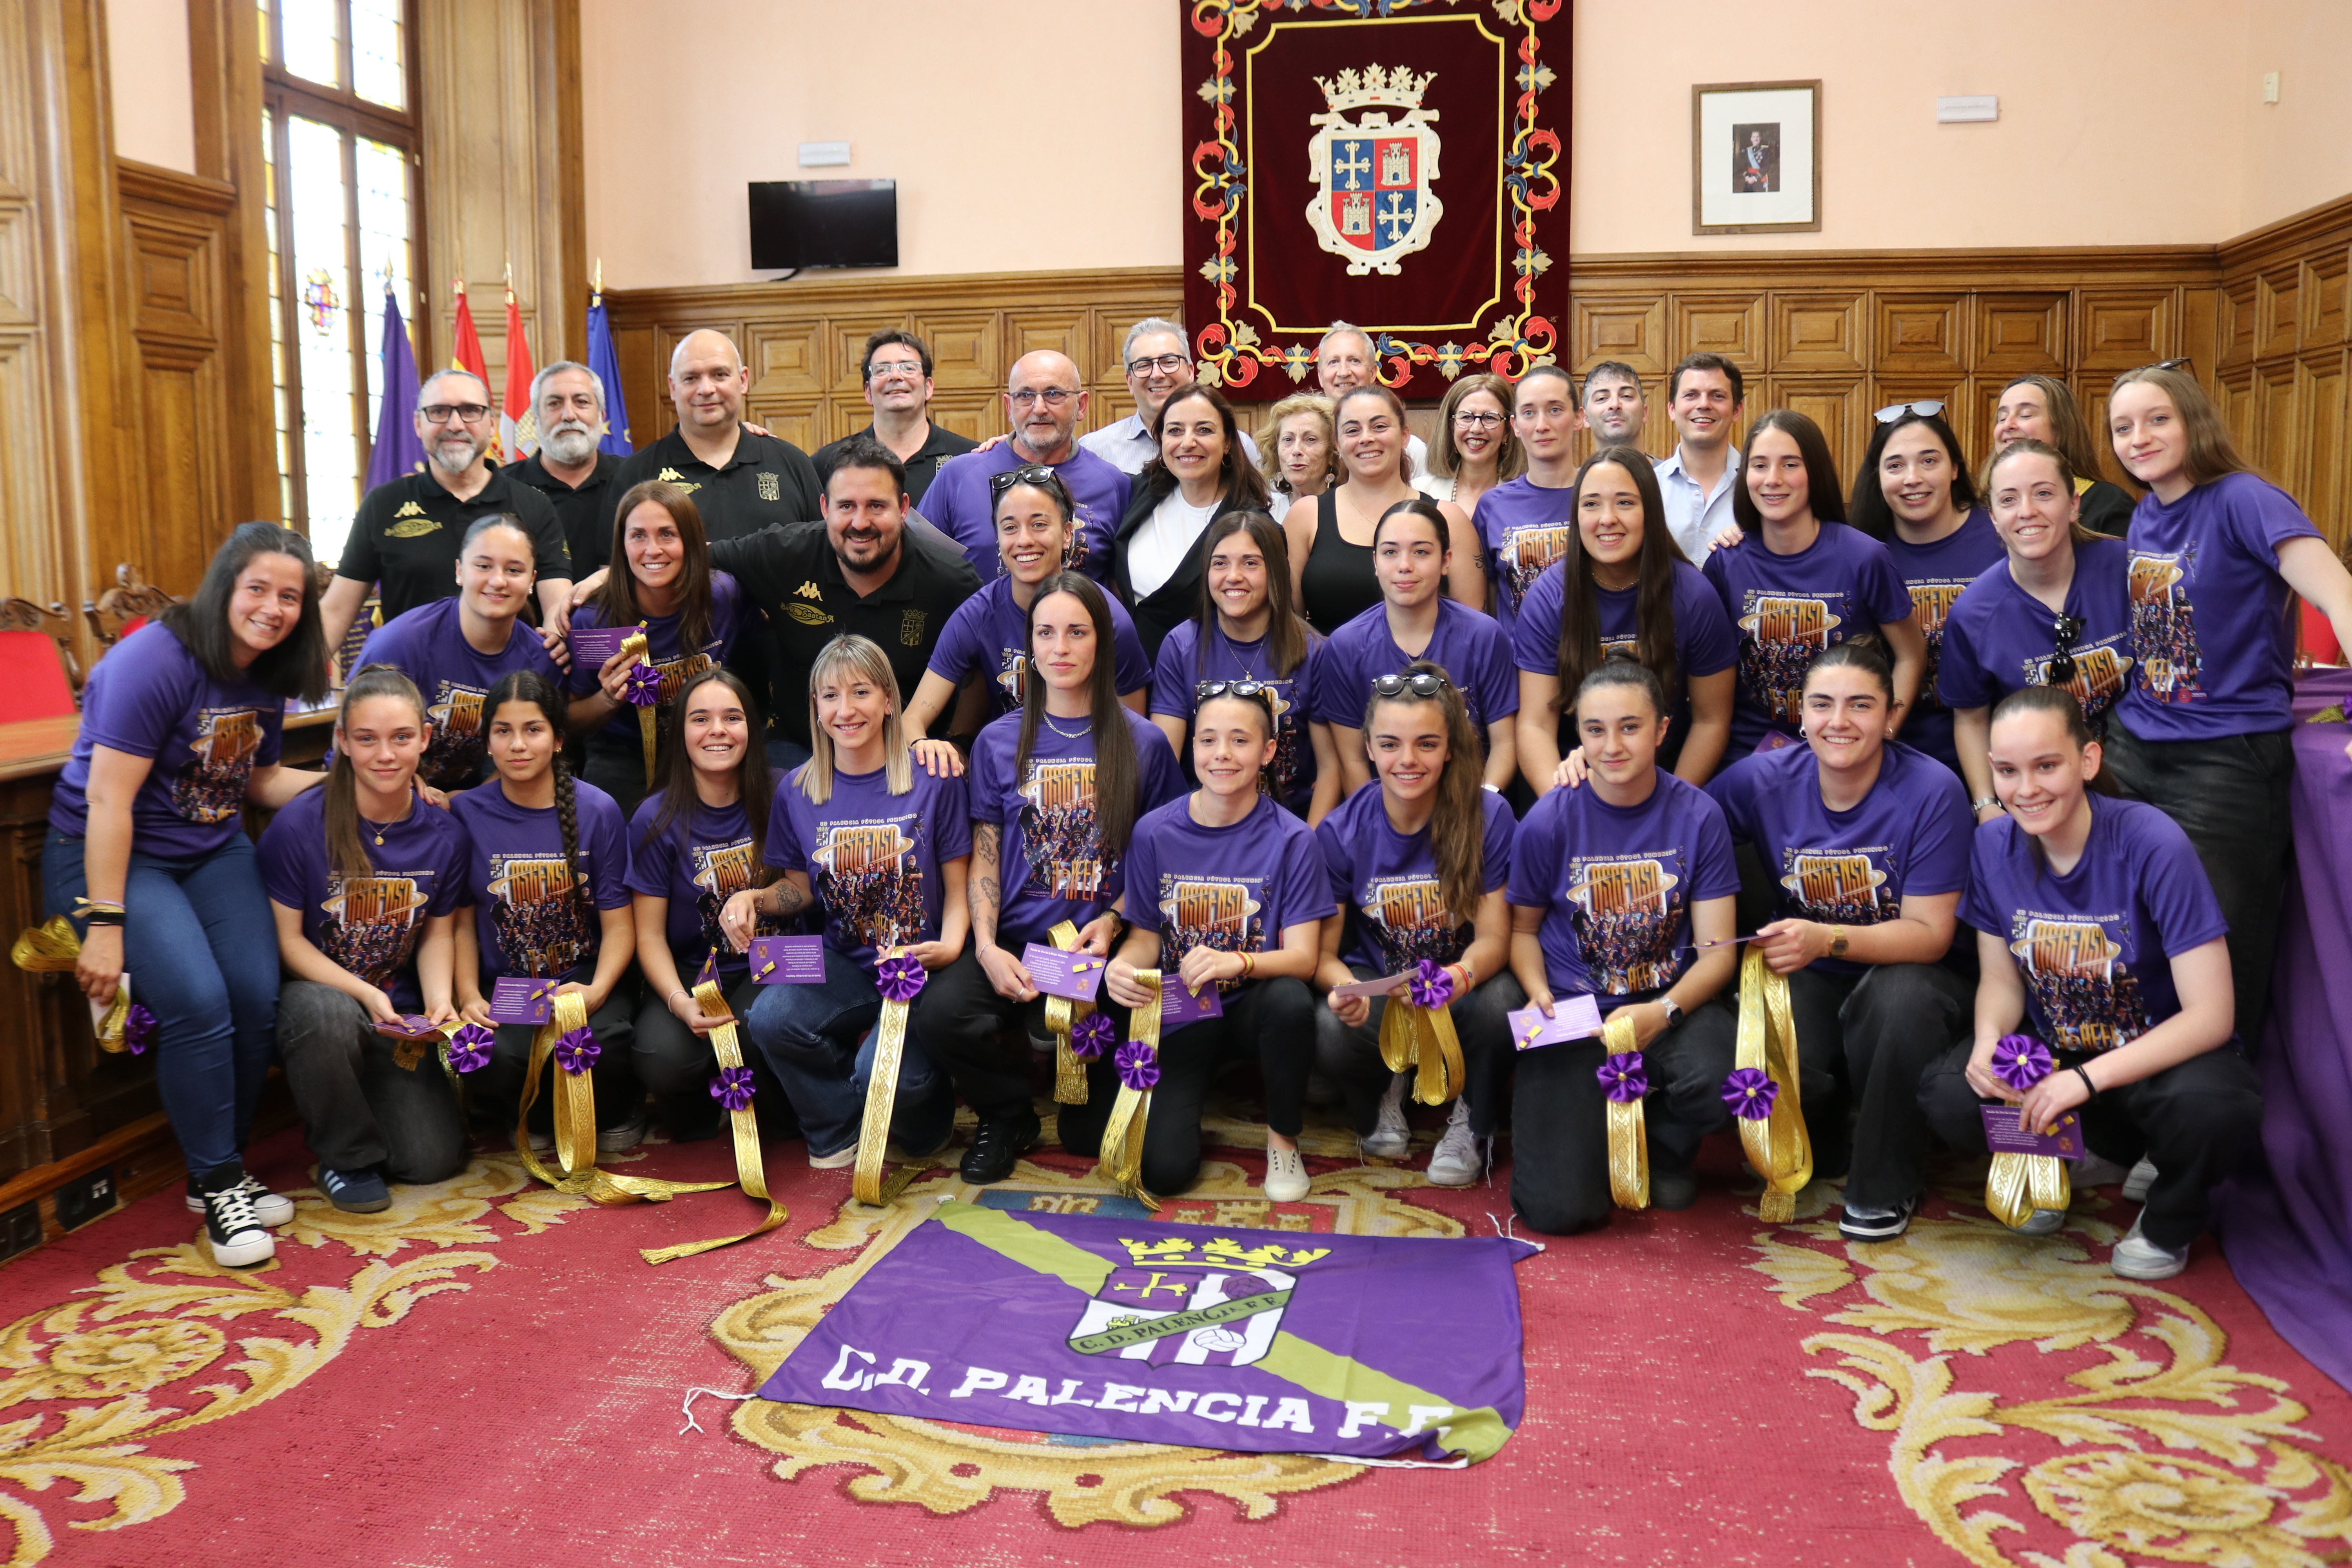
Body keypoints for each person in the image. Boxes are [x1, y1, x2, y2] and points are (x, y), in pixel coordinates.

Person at [45, 522, 331, 1267]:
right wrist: (105, 926)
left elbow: (260, 780)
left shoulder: (266, 670)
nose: (273, 608)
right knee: (199, 1003)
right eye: (258, 589)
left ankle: (217, 1173)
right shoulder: (154, 661)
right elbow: (109, 803)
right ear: (224, 587)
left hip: (209, 847)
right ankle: (219, 1180)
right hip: (110, 855)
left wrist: (360, 788)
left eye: (290, 596)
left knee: (253, 991)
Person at [1918, 685, 2262, 1279]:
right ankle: (2072, 1159)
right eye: (2007, 771)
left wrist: (2081, 1081)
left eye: (2047, 766)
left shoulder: (2151, 841)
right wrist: (1986, 1043)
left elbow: (2212, 1016)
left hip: (2154, 1061)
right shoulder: (1991, 844)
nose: (2026, 790)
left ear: (2089, 760)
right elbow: (2001, 980)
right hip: (2062, 1054)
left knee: (2217, 1107)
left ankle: (2169, 1216)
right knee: (1948, 1093)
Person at [2101, 362, 2352, 1050]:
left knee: (2221, 953)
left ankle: (2218, 1128)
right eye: (2123, 427)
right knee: (2137, 937)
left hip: (2226, 760)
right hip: (2136, 748)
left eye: (2157, 419)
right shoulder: (2145, 515)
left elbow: (2339, 593)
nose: (2139, 437)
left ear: (2193, 421)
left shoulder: (2245, 498)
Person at [920, 573, 1185, 1183]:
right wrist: (984, 947)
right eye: (1046, 633)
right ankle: (1007, 1113)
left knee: (1090, 1136)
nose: (1060, 647)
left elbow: (1162, 861)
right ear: (1030, 648)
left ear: (1103, 644)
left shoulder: (1143, 743)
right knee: (941, 1013)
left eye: (1076, 632)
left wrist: (1117, 920)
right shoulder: (995, 741)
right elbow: (985, 853)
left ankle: (1065, 1069)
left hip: (1106, 951)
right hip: (1017, 941)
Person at [1706, 641, 1975, 1242]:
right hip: (1811, 973)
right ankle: (1829, 1129)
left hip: (1917, 976)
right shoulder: (1762, 779)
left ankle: (1886, 1182)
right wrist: (1585, 780)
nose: (1839, 722)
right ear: (1799, 715)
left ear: (1890, 713)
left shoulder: (1934, 790)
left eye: (1860, 705)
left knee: (1900, 1000)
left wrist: (1826, 937)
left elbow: (1930, 937)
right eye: (1822, 705)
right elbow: (1678, 818)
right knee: (1759, 1032)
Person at [1506, 662, 1742, 1232]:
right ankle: (1599, 1134)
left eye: (1630, 728)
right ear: (1578, 736)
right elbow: (1522, 931)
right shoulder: (1549, 818)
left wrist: (1663, 1012)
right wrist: (1538, 993)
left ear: (1662, 730)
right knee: (1559, 1213)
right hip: (1576, 1015)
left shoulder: (1699, 815)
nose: (1611, 746)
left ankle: (1664, 1143)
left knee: (1728, 1077)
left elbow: (1719, 954)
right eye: (1594, 730)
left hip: (1669, 1004)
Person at [1080, 684, 1334, 1200]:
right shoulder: (1155, 832)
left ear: (1266, 752)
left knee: (1289, 1000)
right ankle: (1186, 1104)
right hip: (1182, 1012)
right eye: (1208, 740)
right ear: (1192, 747)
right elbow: (1147, 936)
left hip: (1252, 1007)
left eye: (1240, 741)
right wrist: (1123, 968)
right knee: (1162, 1173)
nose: (1221, 755)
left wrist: (1233, 961)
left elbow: (1305, 959)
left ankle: (1283, 1140)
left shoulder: (1294, 840)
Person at [734, 638, 965, 1166]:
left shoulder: (932, 778)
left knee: (884, 1076)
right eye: (830, 695)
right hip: (845, 962)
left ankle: (924, 1124)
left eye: (861, 692)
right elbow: (800, 889)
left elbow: (959, 882)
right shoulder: (798, 789)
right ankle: (837, 1125)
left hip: (922, 967)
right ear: (814, 707)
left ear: (889, 701)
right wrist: (752, 897)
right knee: (770, 1017)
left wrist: (950, 946)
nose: (845, 709)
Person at [262, 666, 469, 1211]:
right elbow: (288, 943)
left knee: (429, 1162)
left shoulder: (445, 833)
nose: (386, 755)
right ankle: (345, 1157)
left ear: (425, 738)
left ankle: (372, 1110)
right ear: (342, 744)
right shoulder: (299, 825)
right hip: (318, 1000)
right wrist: (364, 992)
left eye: (402, 738)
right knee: (327, 1016)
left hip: (394, 1017)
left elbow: (437, 935)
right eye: (367, 739)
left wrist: (439, 1000)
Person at [1314, 664, 1521, 1182]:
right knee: (1326, 1024)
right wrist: (1345, 988)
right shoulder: (1341, 829)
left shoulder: (1489, 818)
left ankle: (1473, 1115)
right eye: (1390, 744)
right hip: (1385, 992)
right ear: (1367, 747)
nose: (1407, 760)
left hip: (1462, 991)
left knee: (1505, 1004)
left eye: (1427, 744)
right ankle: (1388, 1086)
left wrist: (1460, 977)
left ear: (1451, 748)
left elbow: (1497, 939)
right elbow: (1322, 953)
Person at [686, 439, 982, 769]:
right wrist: (619, 574)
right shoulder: (785, 554)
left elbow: (978, 668)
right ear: (825, 508)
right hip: (800, 749)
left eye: (876, 506)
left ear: (903, 508)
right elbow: (691, 557)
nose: (860, 522)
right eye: (846, 507)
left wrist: (960, 741)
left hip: (904, 752)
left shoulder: (950, 581)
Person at [451, 670, 642, 1152]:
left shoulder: (598, 810)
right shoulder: (465, 813)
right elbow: (459, 924)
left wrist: (598, 990)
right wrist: (469, 995)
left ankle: (619, 1108)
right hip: (511, 990)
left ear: (558, 740)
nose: (518, 744)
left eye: (533, 729)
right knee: (496, 1055)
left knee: (611, 1040)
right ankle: (533, 1116)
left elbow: (621, 924)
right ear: (488, 743)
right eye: (503, 731)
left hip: (583, 978)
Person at [623, 668, 795, 1144]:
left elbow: (805, 891)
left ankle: (778, 1110)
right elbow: (649, 936)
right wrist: (679, 1003)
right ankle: (700, 1117)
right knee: (662, 1056)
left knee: (756, 1034)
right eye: (700, 719)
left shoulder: (785, 791)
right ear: (680, 733)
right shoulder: (654, 817)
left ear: (752, 728)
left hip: (774, 964)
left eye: (732, 717)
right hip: (692, 972)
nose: (717, 730)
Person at [1514, 445, 1737, 793]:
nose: (1607, 518)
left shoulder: (1694, 595)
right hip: (1573, 776)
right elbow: (1535, 726)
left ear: (1650, 510)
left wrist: (1670, 803)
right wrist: (1564, 808)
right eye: (1591, 504)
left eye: (1625, 502)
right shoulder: (1549, 597)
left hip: (1666, 775)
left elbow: (1711, 721)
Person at [1704, 408, 1926, 756]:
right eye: (1760, 465)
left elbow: (1911, 655)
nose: (1772, 479)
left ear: (1815, 472)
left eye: (1790, 464)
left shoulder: (1865, 557)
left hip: (1845, 753)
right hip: (1749, 759)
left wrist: (1881, 734)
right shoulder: (1726, 561)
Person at [1940, 439, 2135, 822]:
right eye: (2009, 500)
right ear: (1993, 517)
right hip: (2040, 796)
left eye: (2044, 494)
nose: (2027, 512)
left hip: (2139, 780)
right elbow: (1971, 718)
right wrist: (1986, 804)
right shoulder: (1972, 613)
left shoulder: (2128, 569)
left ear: (2074, 505)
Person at [323, 369, 573, 650]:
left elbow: (558, 609)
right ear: (418, 424)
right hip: (409, 685)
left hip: (509, 685)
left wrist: (553, 657)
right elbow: (335, 612)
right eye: (439, 411)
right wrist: (290, 688)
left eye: (470, 411)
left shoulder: (534, 505)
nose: (455, 424)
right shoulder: (382, 504)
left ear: (491, 424)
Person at [908, 467, 1151, 752]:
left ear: (1067, 534)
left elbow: (1137, 738)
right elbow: (913, 719)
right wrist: (926, 748)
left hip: (1089, 768)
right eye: (1010, 527)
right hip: (1004, 766)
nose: (1024, 540)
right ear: (998, 539)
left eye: (1039, 525)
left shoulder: (1108, 619)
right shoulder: (977, 614)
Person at [350, 514, 561, 797]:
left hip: (477, 802)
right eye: (484, 566)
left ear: (532, 580)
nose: (498, 581)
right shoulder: (400, 642)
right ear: (460, 571)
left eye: (514, 570)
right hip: (380, 791)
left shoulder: (541, 658)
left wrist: (465, 802)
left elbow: (526, 759)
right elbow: (352, 736)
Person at [565, 481, 741, 820]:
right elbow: (571, 720)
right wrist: (607, 699)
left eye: (667, 534)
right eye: (638, 536)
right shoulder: (592, 619)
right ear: (622, 544)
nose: (653, 550)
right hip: (622, 751)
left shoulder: (723, 596)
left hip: (708, 739)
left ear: (689, 540)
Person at [1315, 499, 1518, 793]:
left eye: (1421, 552)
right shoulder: (1345, 647)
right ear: (1375, 562)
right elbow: (1353, 762)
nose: (1405, 566)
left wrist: (1481, 804)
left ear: (1446, 561)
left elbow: (1505, 743)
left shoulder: (1484, 636)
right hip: (1385, 816)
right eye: (1390, 552)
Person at [1846, 404, 2005, 776]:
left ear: (1954, 469)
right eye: (1895, 466)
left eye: (1929, 461)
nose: (1912, 478)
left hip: (1999, 752)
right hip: (1895, 758)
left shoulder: (2001, 534)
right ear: (1878, 477)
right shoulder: (1860, 550)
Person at [1151, 511, 1337, 822]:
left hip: (1292, 824)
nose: (1233, 576)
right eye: (1220, 563)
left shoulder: (1314, 650)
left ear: (1276, 571)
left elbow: (1331, 767)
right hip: (1205, 823)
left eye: (1250, 563)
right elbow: (1163, 761)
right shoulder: (1181, 646)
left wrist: (1311, 844)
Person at [595, 329, 824, 546]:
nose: (706, 389)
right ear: (673, 388)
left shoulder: (793, 464)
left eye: (720, 375)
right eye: (691, 378)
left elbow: (823, 555)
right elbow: (613, 572)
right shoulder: (635, 474)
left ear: (743, 380)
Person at [924, 350, 1132, 584]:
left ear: (1081, 405)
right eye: (1025, 395)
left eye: (1054, 394)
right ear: (1009, 407)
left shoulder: (1114, 486)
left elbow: (1121, 588)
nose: (1039, 408)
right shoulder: (958, 477)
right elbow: (921, 567)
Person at [1289, 386, 1481, 636]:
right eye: (1352, 430)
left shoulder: (1450, 519)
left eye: (1379, 427)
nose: (1366, 438)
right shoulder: (1305, 516)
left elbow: (1474, 631)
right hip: (1331, 670)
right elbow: (1289, 626)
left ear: (1404, 436)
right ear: (1338, 443)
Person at [1110, 382, 1274, 657]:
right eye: (1175, 430)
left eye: (1204, 430)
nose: (1188, 442)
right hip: (1127, 676)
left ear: (1227, 443)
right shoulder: (1135, 493)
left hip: (1200, 678)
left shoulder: (1254, 525)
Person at [811, 330, 976, 505]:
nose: (896, 376)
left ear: (928, 388)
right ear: (868, 392)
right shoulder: (827, 463)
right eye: (882, 369)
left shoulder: (969, 458)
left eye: (908, 368)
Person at [1477, 365, 1579, 645]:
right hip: (1521, 668)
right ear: (1515, 426)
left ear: (1579, 418)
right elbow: (1486, 600)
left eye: (1555, 410)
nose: (1542, 425)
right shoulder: (1493, 506)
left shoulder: (1601, 495)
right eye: (1529, 413)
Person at [1080, 317, 1261, 474]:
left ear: (1191, 372)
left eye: (1169, 362)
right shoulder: (1096, 450)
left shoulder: (1237, 445)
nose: (1157, 374)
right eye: (1144, 365)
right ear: (1130, 382)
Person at [511, 360, 626, 579]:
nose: (569, 415)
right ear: (535, 419)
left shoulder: (633, 479)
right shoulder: (503, 486)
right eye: (554, 404)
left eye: (581, 402)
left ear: (602, 416)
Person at [1989, 374, 2134, 538]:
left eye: (2026, 415)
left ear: (2061, 427)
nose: (2008, 425)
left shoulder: (2107, 503)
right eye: (2002, 418)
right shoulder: (1978, 507)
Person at [1654, 354, 1746, 565]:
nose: (1704, 404)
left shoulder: (1759, 486)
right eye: (1691, 395)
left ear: (1737, 411)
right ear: (1672, 410)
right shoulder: (1648, 487)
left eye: (1717, 396)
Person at [1312, 323, 1428, 472]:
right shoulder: (1299, 445)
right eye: (1334, 362)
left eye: (1354, 360)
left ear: (1373, 373)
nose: (1343, 372)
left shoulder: (1410, 448)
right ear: (1321, 376)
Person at [1419, 372, 1522, 512]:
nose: (1476, 429)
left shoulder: (1524, 496)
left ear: (1507, 431)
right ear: (1451, 428)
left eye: (1490, 418)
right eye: (1467, 417)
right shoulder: (1419, 493)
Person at [1257, 393, 1336, 523]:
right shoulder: (1265, 515)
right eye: (1288, 440)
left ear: (1332, 452)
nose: (1296, 451)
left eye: (1311, 440)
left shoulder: (1347, 510)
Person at [1579, 361, 1648, 451]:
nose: (1615, 405)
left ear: (1645, 413)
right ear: (1585, 418)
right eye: (1602, 398)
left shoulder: (1669, 466)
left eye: (1626, 396)